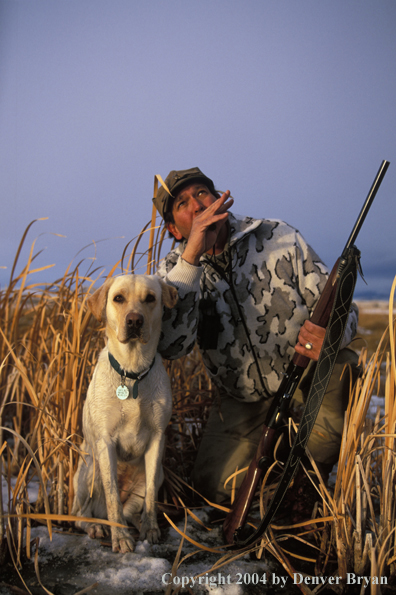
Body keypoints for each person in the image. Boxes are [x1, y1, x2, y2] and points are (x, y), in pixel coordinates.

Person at [153, 167, 359, 505]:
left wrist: (331, 337)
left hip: (305, 374)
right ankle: (277, 460)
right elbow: (172, 346)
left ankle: (308, 476)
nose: (197, 206)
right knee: (213, 490)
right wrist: (192, 258)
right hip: (242, 398)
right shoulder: (172, 275)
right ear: (174, 229)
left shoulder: (277, 235)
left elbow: (345, 310)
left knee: (343, 364)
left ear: (221, 199)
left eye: (202, 193)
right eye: (182, 204)